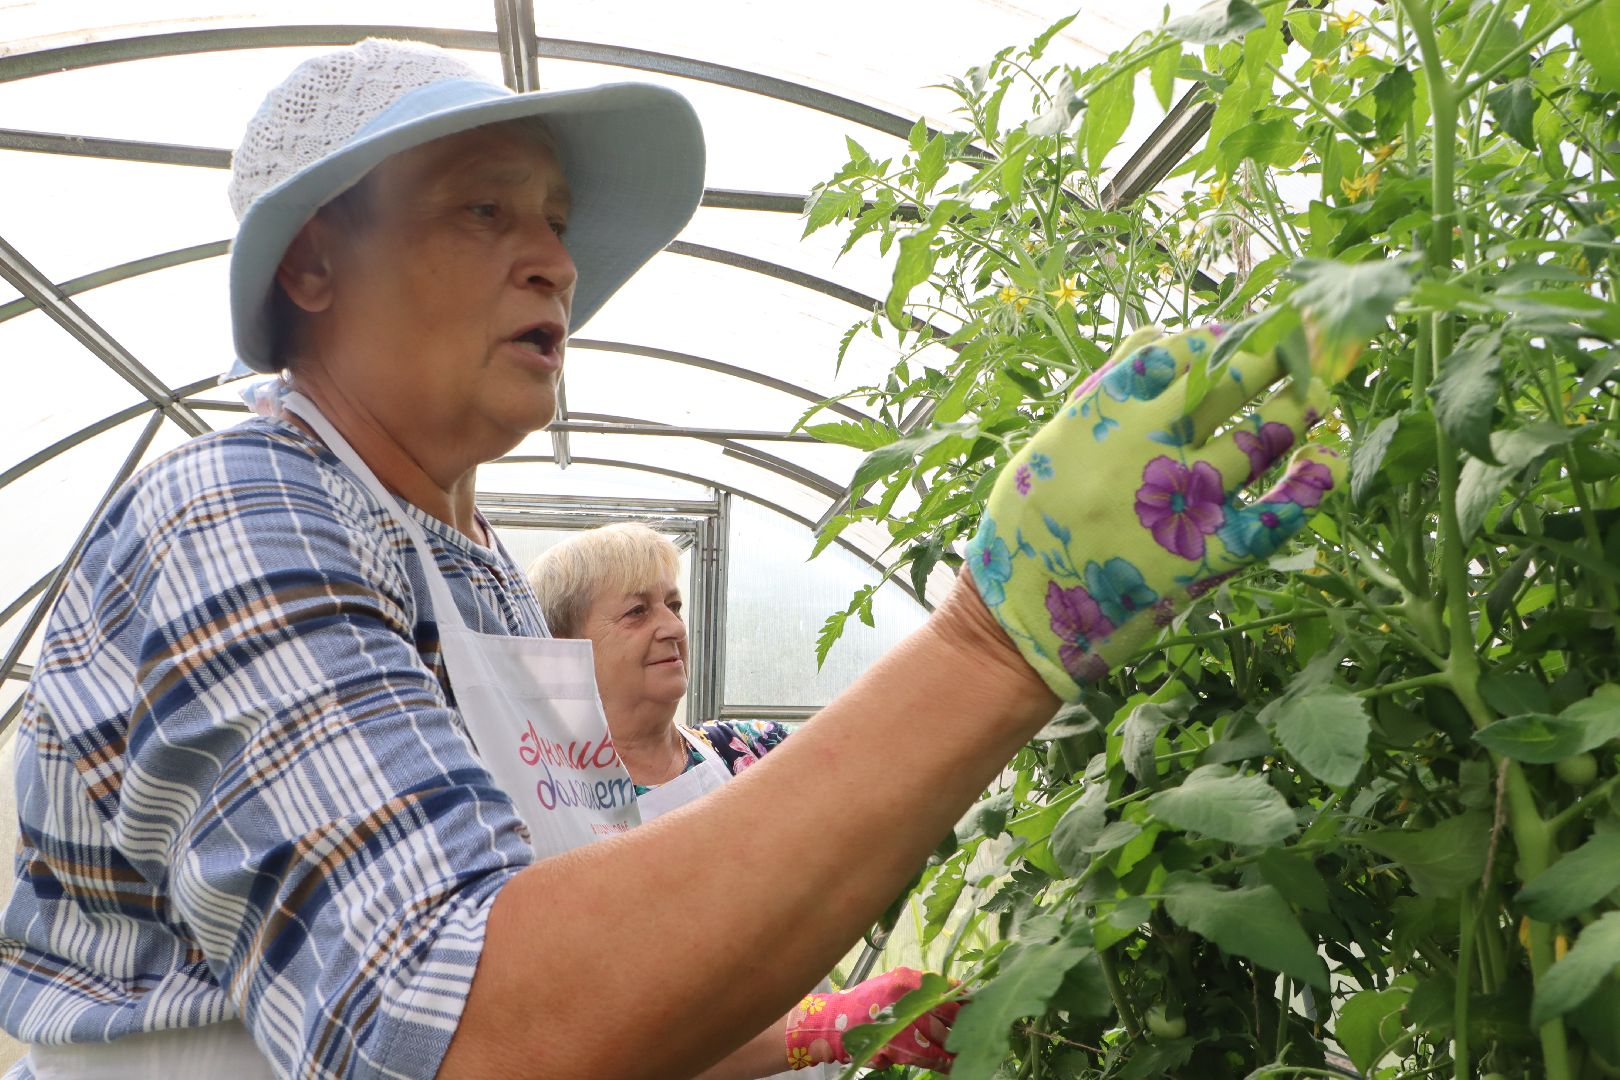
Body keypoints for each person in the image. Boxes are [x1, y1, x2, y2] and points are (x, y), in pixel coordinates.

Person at [0, 34, 1339, 1080]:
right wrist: (988, 645)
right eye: (483, 213)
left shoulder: (465, 569)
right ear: (311, 267)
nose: (554, 264)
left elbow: (596, 978)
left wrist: (817, 1028)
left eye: (556, 221)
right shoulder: (237, 510)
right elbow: (464, 1035)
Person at [528, 522, 954, 1076]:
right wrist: (826, 1026)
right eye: (637, 612)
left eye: (673, 604)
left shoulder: (748, 751)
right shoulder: (551, 814)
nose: (671, 626)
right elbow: (604, 1044)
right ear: (566, 650)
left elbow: (883, 769)